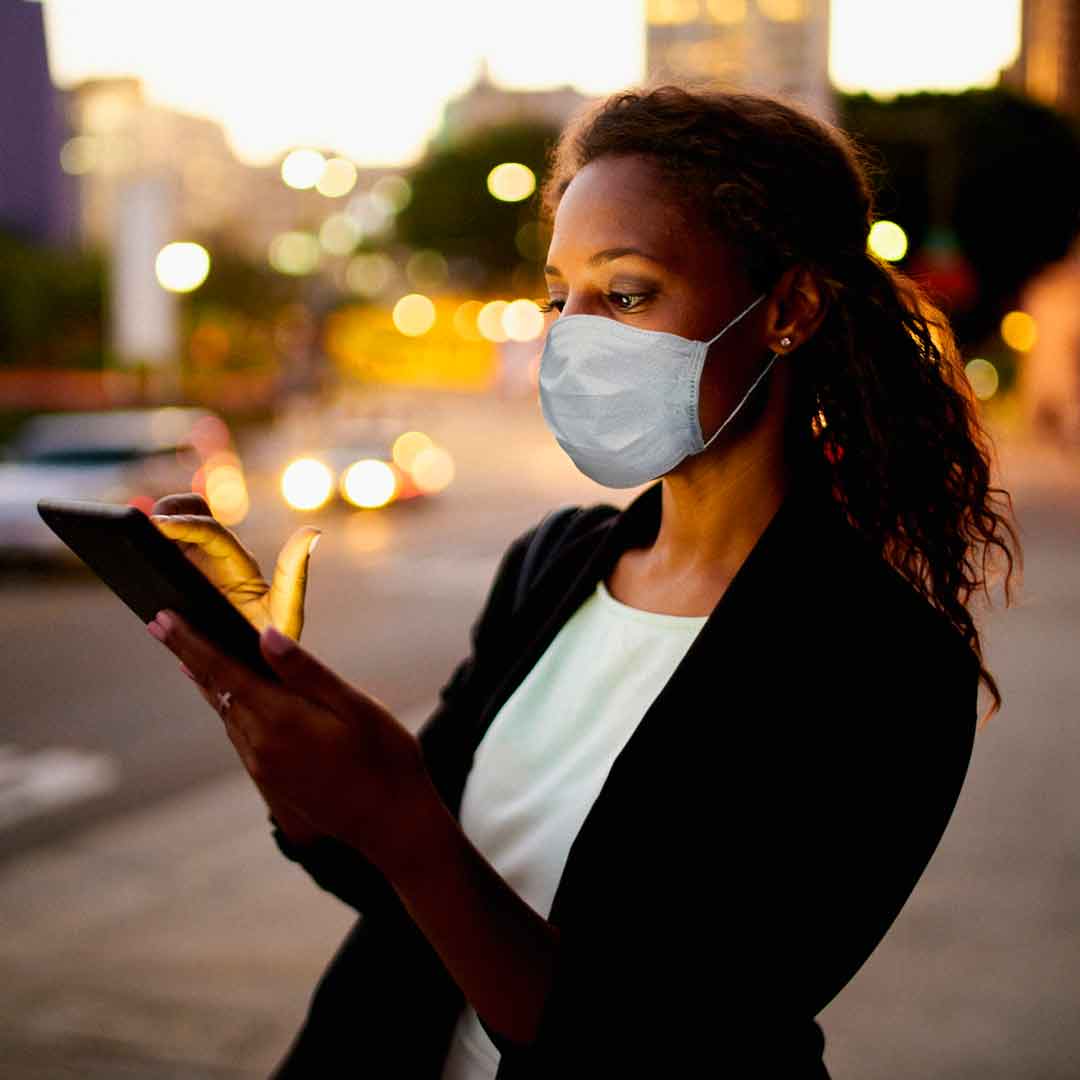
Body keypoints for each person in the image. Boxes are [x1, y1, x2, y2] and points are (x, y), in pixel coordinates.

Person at [145, 82, 1022, 1077]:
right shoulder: (555, 563)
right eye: (560, 296)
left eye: (628, 292)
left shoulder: (885, 666)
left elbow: (658, 1042)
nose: (574, 335)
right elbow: (391, 876)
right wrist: (270, 717)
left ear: (789, 307)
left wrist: (403, 820)